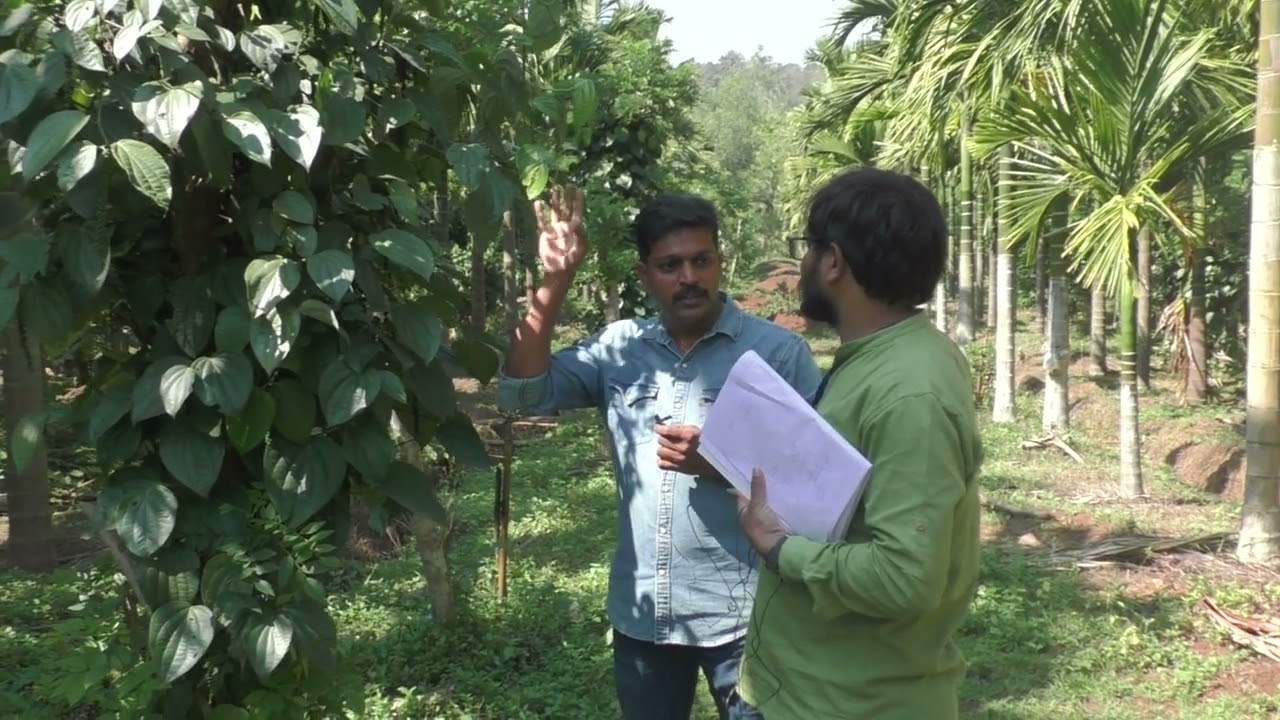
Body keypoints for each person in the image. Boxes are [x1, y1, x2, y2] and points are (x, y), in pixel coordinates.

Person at [495, 186, 822, 720]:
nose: (688, 277)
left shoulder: (776, 353)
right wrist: (555, 279)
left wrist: (719, 463)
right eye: (670, 265)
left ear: (720, 263)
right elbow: (522, 390)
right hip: (645, 613)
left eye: (701, 261)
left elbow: (818, 480)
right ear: (645, 274)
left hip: (750, 618)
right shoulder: (619, 349)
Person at [734, 167, 984, 719]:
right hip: (802, 689)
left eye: (809, 248)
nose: (803, 264)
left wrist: (780, 548)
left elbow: (905, 578)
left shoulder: (911, 392)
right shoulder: (883, 357)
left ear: (833, 261)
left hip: (849, 704)